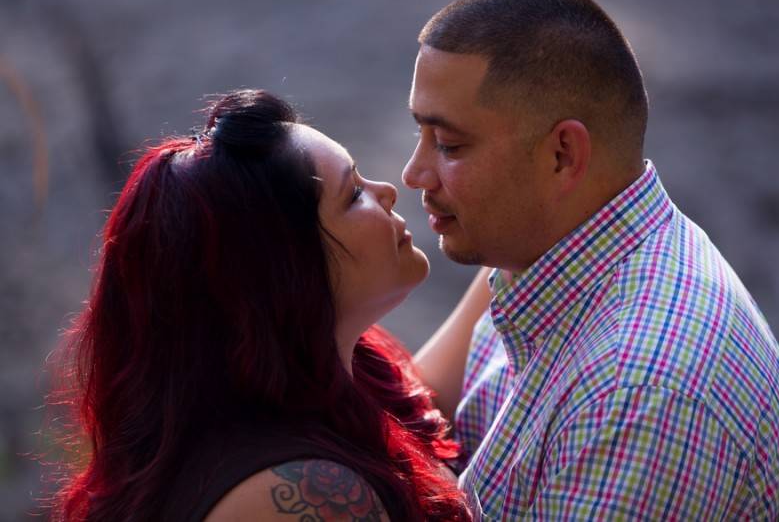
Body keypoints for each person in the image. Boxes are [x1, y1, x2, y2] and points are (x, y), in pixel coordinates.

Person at [404, 0, 779, 519]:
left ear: (563, 155)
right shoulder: (546, 252)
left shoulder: (637, 397)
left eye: (449, 145)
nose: (413, 174)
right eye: (421, 133)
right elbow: (415, 409)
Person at [49, 89, 476, 521]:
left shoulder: (344, 385)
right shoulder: (304, 496)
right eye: (352, 194)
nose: (386, 190)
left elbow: (432, 394)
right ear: (285, 269)